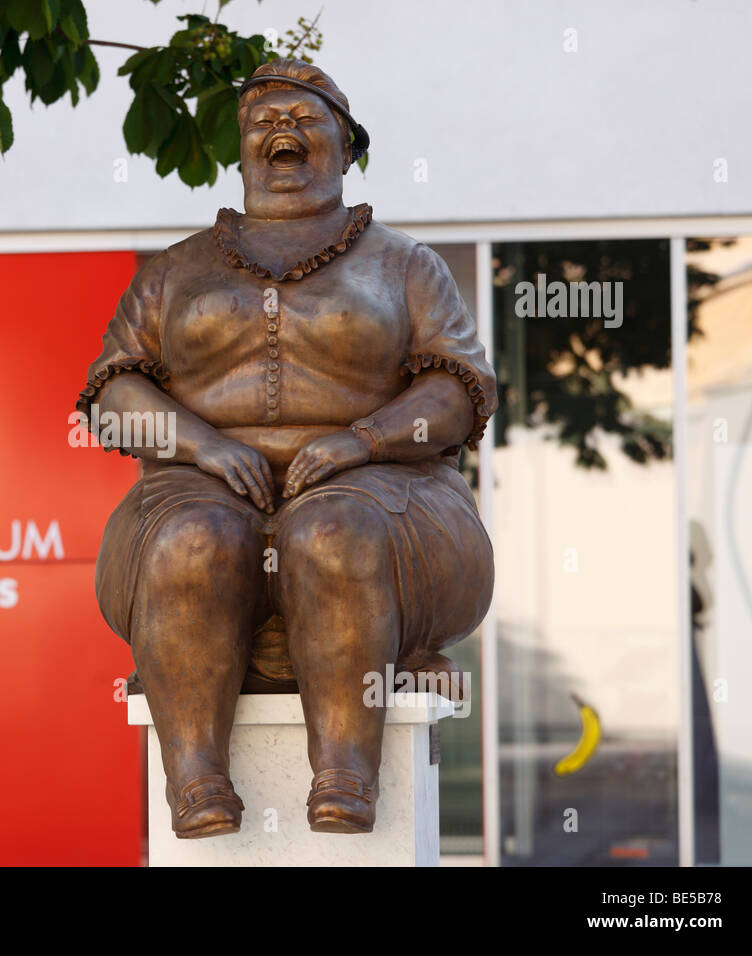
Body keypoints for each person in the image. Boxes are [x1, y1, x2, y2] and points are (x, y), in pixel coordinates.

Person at [78, 59, 496, 839]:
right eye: (263, 121)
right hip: (192, 491)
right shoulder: (175, 269)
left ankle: (344, 773)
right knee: (195, 539)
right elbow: (110, 397)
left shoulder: (405, 264)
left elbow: (459, 393)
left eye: (306, 120)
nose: (283, 132)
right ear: (240, 153)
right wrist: (199, 443)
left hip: (386, 495)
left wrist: (361, 439)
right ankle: (195, 779)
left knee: (331, 532)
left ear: (346, 144)